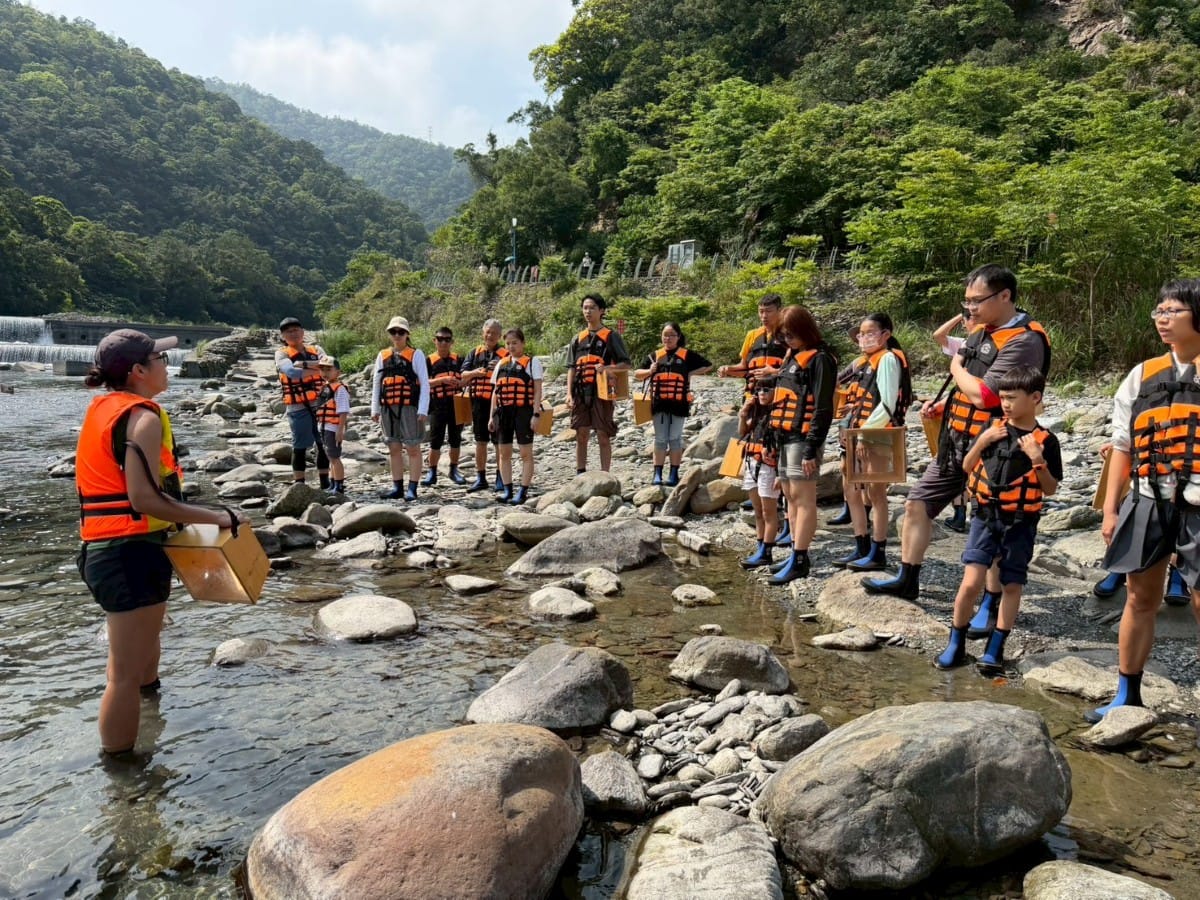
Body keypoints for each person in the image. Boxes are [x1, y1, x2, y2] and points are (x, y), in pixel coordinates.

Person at [75, 329, 250, 754]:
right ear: (137, 371)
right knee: (122, 675)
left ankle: (151, 710)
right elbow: (144, 498)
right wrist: (218, 517)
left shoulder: (108, 409)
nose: (165, 366)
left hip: (119, 548)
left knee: (145, 646)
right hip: (127, 553)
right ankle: (123, 780)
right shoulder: (144, 419)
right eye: (159, 360)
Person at [863, 265, 1050, 601]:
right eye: (966, 302)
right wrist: (943, 407)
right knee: (917, 503)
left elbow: (987, 395)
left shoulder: (1025, 340)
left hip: (996, 447)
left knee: (991, 524)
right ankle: (907, 579)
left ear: (1005, 296)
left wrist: (954, 367)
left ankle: (991, 607)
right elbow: (968, 388)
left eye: (977, 301)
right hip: (957, 441)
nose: (971, 309)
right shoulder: (980, 332)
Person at [1088, 279, 1200, 721]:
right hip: (1148, 499)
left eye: (1173, 310)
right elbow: (1123, 446)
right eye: (1158, 311)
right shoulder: (1142, 374)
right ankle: (1126, 694)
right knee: (1139, 597)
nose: (1162, 318)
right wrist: (1111, 509)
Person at [933, 366, 1062, 673]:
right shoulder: (992, 429)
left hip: (1021, 522)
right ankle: (956, 643)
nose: (1005, 404)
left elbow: (1051, 488)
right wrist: (981, 441)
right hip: (985, 516)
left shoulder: (1047, 440)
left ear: (1035, 398)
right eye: (1002, 397)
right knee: (971, 581)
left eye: (1012, 398)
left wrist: (1037, 460)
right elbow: (966, 465)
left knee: (1012, 585)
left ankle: (995, 648)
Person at [764, 305, 838, 584]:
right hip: (784, 436)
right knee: (790, 498)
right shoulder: (792, 357)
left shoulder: (820, 359)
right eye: (782, 336)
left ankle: (801, 558)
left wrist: (811, 448)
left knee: (803, 499)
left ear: (805, 331)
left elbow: (822, 408)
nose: (786, 341)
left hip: (803, 438)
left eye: (790, 335)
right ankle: (794, 552)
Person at [833, 313, 912, 571]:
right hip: (855, 434)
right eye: (860, 334)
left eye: (869, 333)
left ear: (885, 335)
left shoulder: (888, 359)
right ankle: (861, 545)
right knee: (851, 488)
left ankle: (878, 552)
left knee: (876, 493)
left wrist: (865, 432)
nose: (863, 339)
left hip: (875, 435)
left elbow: (887, 404)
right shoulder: (863, 362)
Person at [633, 321, 713, 485]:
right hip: (659, 403)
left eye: (671, 335)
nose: (668, 338)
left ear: (678, 337)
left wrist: (690, 373)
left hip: (679, 403)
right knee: (660, 439)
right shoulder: (654, 356)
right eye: (665, 335)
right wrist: (650, 370)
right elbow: (637, 374)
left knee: (675, 438)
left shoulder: (686, 355)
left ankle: (674, 474)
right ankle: (657, 474)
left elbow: (708, 365)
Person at [566, 293, 632, 473]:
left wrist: (608, 369)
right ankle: (581, 472)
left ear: (601, 311)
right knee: (581, 433)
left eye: (592, 308)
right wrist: (569, 394)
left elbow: (626, 363)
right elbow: (571, 367)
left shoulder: (611, 336)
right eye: (585, 308)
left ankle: (605, 474)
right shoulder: (577, 338)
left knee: (603, 434)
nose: (588, 311)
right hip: (580, 392)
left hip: (602, 392)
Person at [371, 316, 430, 500]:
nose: (397, 335)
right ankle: (397, 487)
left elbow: (425, 384)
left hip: (409, 407)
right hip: (388, 407)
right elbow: (377, 383)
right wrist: (375, 409)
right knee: (394, 447)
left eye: (401, 332)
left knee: (412, 447)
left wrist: (423, 409)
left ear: (407, 334)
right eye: (393, 332)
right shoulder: (383, 355)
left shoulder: (416, 354)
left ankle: (412, 488)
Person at [488, 328, 544, 505]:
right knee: (504, 453)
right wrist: (491, 417)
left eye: (515, 343)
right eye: (508, 343)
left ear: (523, 343)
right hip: (504, 413)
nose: (511, 347)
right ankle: (507, 490)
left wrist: (535, 414)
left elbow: (537, 391)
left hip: (523, 411)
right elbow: (495, 393)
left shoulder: (532, 363)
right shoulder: (501, 364)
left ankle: (523, 490)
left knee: (525, 453)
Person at [274, 317, 329, 488]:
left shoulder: (316, 348)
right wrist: (316, 367)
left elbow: (329, 367)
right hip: (298, 407)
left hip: (321, 404)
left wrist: (302, 364)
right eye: (289, 331)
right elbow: (291, 372)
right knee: (299, 446)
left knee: (322, 444)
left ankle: (325, 483)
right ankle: (299, 485)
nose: (293, 333)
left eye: (296, 330)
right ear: (283, 336)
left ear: (303, 332)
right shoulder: (281, 353)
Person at [460, 319, 510, 492]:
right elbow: (463, 375)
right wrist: (475, 372)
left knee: (498, 442)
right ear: (483, 333)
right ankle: (481, 478)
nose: (490, 336)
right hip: (478, 402)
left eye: (494, 333)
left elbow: (515, 373)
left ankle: (500, 477)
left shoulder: (505, 355)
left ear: (499, 336)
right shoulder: (474, 353)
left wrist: (500, 367)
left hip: (498, 403)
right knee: (480, 441)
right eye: (488, 332)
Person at [738, 382, 781, 569]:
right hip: (751, 463)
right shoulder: (756, 413)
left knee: (768, 511)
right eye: (758, 390)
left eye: (766, 389)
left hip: (768, 466)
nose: (761, 393)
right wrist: (742, 414)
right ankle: (760, 546)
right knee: (757, 511)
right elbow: (742, 432)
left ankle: (767, 552)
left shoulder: (779, 413)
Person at [717, 292, 787, 400]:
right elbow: (743, 366)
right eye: (761, 311)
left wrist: (774, 372)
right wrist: (727, 369)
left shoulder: (788, 335)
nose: (764, 316)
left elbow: (797, 370)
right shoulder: (752, 335)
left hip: (779, 395)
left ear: (780, 311)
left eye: (769, 311)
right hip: (753, 395)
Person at [423, 327, 466, 486]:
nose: (443, 342)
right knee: (436, 441)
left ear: (452, 342)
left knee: (455, 439)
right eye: (440, 339)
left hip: (456, 404)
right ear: (434, 341)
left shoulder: (459, 360)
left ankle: (453, 470)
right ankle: (432, 471)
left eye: (447, 339)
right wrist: (442, 380)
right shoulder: (428, 361)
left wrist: (460, 382)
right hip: (437, 406)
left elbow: (466, 379)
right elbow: (422, 383)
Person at [315, 356, 350, 494]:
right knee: (329, 456)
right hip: (324, 426)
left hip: (333, 427)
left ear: (338, 372)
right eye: (322, 369)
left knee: (334, 457)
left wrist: (340, 430)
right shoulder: (325, 387)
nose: (325, 372)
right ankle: (333, 483)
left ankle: (339, 486)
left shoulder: (340, 389)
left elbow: (343, 411)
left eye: (329, 369)